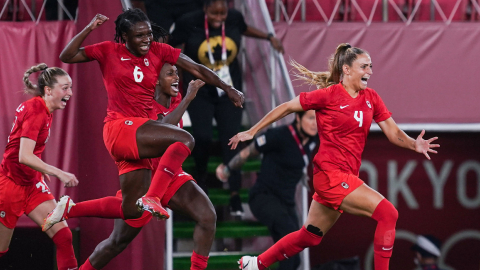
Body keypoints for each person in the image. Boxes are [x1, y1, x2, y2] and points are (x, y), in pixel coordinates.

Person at [56, 9, 243, 269]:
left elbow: (196, 67)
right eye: (140, 35)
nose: (147, 40)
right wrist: (89, 28)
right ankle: (150, 197)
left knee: (199, 215)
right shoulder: (112, 53)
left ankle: (72, 214)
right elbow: (66, 56)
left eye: (149, 34)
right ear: (124, 36)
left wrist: (228, 88)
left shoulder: (165, 73)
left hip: (160, 165)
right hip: (124, 131)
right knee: (184, 139)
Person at [230, 43, 440, 270]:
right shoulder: (329, 95)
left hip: (342, 176)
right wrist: (253, 130)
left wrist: (413, 144)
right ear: (346, 69)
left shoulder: (371, 97)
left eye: (371, 66)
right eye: (363, 66)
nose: (369, 71)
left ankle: (256, 264)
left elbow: (393, 132)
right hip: (330, 175)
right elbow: (287, 107)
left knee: (310, 236)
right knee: (388, 214)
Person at [44, 64, 217, 270]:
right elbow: (164, 132)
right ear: (155, 79)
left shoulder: (175, 98)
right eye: (170, 74)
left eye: (177, 73)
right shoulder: (140, 101)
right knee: (117, 242)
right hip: (145, 174)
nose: (176, 78)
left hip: (171, 173)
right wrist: (189, 98)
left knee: (207, 216)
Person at [169, 0, 284, 216]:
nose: (220, 17)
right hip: (201, 91)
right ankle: (201, 180)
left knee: (233, 140)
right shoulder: (189, 22)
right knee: (201, 137)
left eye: (223, 13)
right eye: (214, 13)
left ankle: (234, 195)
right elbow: (171, 47)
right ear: (205, 8)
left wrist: (269, 37)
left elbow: (245, 29)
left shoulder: (234, 19)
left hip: (230, 91)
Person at [216, 109, 318, 270]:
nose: (315, 123)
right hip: (263, 198)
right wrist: (227, 170)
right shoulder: (278, 135)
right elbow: (247, 153)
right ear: (298, 118)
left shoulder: (314, 139)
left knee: (294, 257)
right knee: (290, 235)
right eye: (311, 118)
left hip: (287, 202)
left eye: (317, 119)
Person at [0, 63, 78, 270]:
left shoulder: (44, 108)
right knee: (1, 250)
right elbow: (24, 156)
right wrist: (58, 172)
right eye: (65, 87)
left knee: (64, 236)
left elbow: (28, 153)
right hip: (10, 185)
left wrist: (41, 170)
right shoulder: (36, 111)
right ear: (48, 90)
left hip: (31, 184)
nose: (70, 92)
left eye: (70, 87)